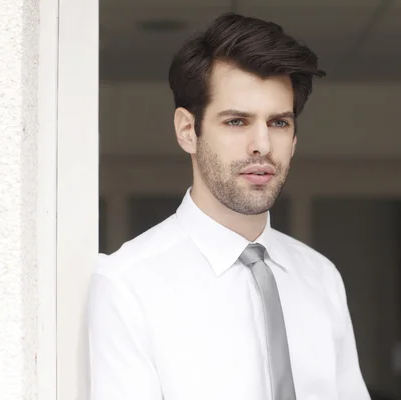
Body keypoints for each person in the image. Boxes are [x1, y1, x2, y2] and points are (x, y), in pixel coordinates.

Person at [87, 12, 371, 400]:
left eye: (279, 123)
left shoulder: (321, 278)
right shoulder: (127, 285)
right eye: (237, 122)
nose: (262, 145)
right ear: (188, 131)